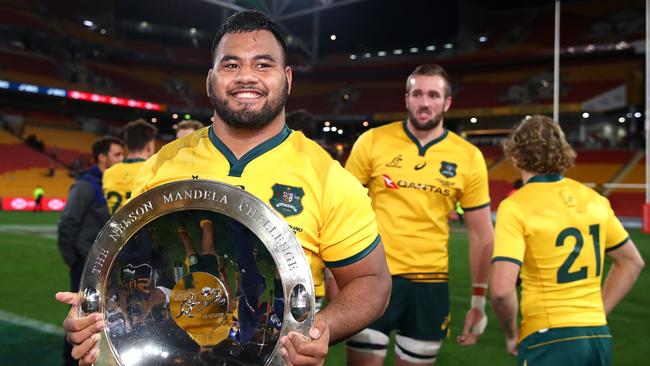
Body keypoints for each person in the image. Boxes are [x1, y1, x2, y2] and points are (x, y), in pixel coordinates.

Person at [56, 10, 391, 366]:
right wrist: (95, 324)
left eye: (264, 65)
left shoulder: (328, 176)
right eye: (231, 65)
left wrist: (319, 327)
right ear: (210, 79)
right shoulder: (161, 167)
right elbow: (129, 268)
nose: (246, 76)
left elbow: (371, 281)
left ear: (287, 78)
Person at [345, 64, 494, 366]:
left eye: (434, 95)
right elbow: (342, 210)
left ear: (447, 102)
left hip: (430, 284)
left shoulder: (468, 156)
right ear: (407, 99)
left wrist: (479, 299)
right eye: (418, 94)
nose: (425, 102)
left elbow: (481, 234)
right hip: (374, 277)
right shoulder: (372, 141)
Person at [490, 115, 644, 365]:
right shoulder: (594, 200)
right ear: (562, 152)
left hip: (548, 335)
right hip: (597, 335)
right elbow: (631, 262)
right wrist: (595, 313)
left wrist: (510, 334)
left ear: (515, 156)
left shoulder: (515, 206)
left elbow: (501, 291)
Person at [57, 136, 124, 366]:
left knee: (103, 318)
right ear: (102, 158)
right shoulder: (87, 184)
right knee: (79, 319)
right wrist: (74, 260)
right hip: (85, 265)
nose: (122, 159)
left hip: (106, 268)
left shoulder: (113, 183)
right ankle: (71, 360)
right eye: (117, 155)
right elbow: (68, 223)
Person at [102, 119, 158, 215]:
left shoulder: (108, 172)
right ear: (149, 146)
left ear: (127, 146)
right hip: (138, 228)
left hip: (113, 227)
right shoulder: (153, 171)